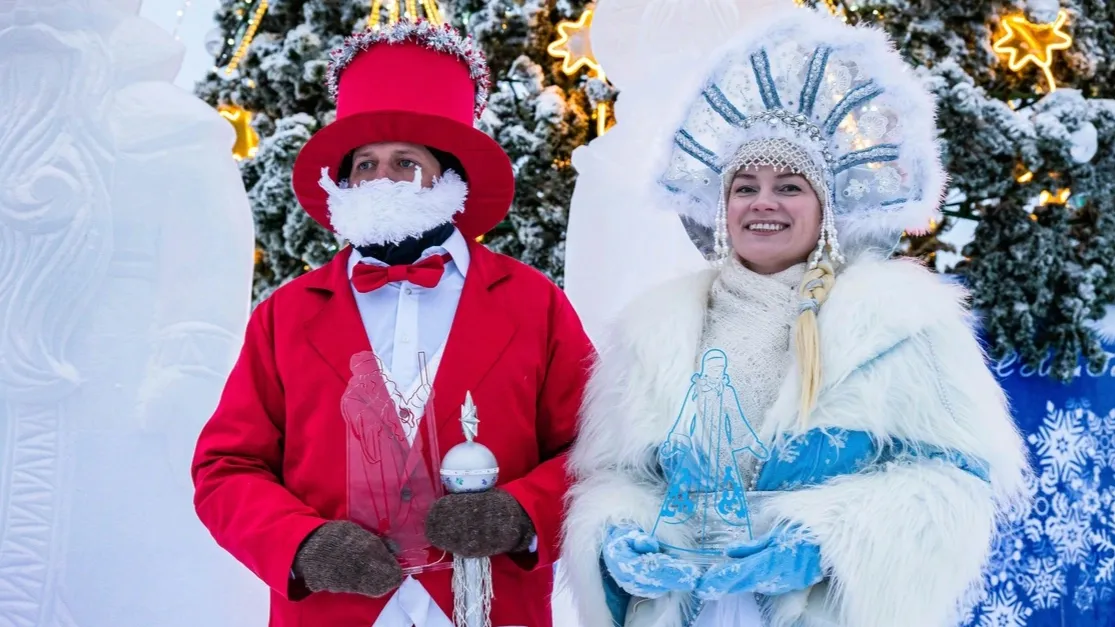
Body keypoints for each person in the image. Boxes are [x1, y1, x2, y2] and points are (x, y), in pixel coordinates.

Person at [561, 8, 1030, 627]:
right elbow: (618, 479)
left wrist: (827, 544)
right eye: (744, 186)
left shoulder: (901, 326)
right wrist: (615, 540)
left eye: (789, 186)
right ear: (720, 205)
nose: (763, 203)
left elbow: (955, 484)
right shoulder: (654, 332)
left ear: (825, 206)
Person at [191, 20, 593, 627]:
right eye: (366, 165)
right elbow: (226, 467)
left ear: (450, 179)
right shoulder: (285, 314)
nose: (381, 180)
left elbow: (598, 452)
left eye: (406, 163)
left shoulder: (533, 303)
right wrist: (302, 546)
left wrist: (522, 515)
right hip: (333, 615)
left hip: (489, 607)